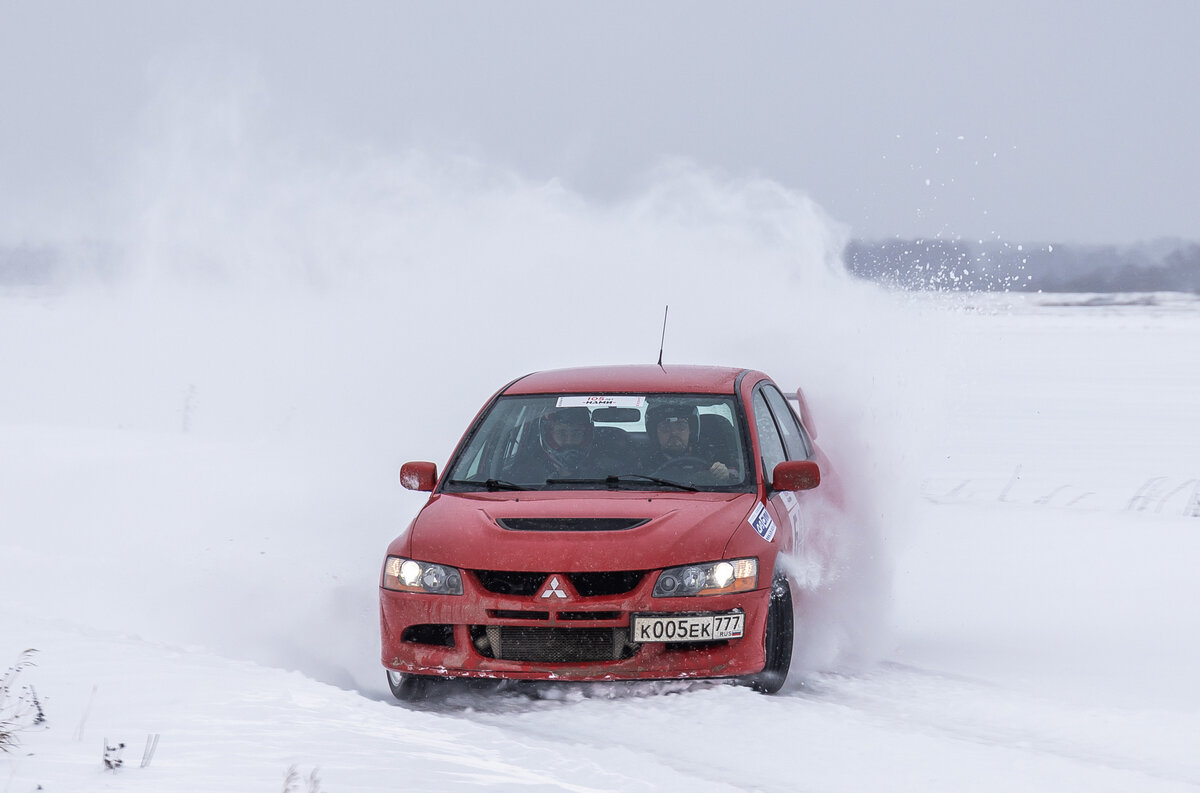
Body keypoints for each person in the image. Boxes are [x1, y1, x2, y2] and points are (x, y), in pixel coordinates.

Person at [504, 406, 611, 482]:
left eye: (576, 432)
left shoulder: (607, 473)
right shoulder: (521, 476)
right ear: (548, 435)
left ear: (586, 436)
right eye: (561, 433)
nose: (569, 441)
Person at [641, 402, 739, 483]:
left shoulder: (711, 452)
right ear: (655, 434)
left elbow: (739, 477)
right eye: (665, 428)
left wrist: (724, 474)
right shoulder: (643, 460)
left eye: (681, 426)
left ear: (691, 430)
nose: (674, 433)